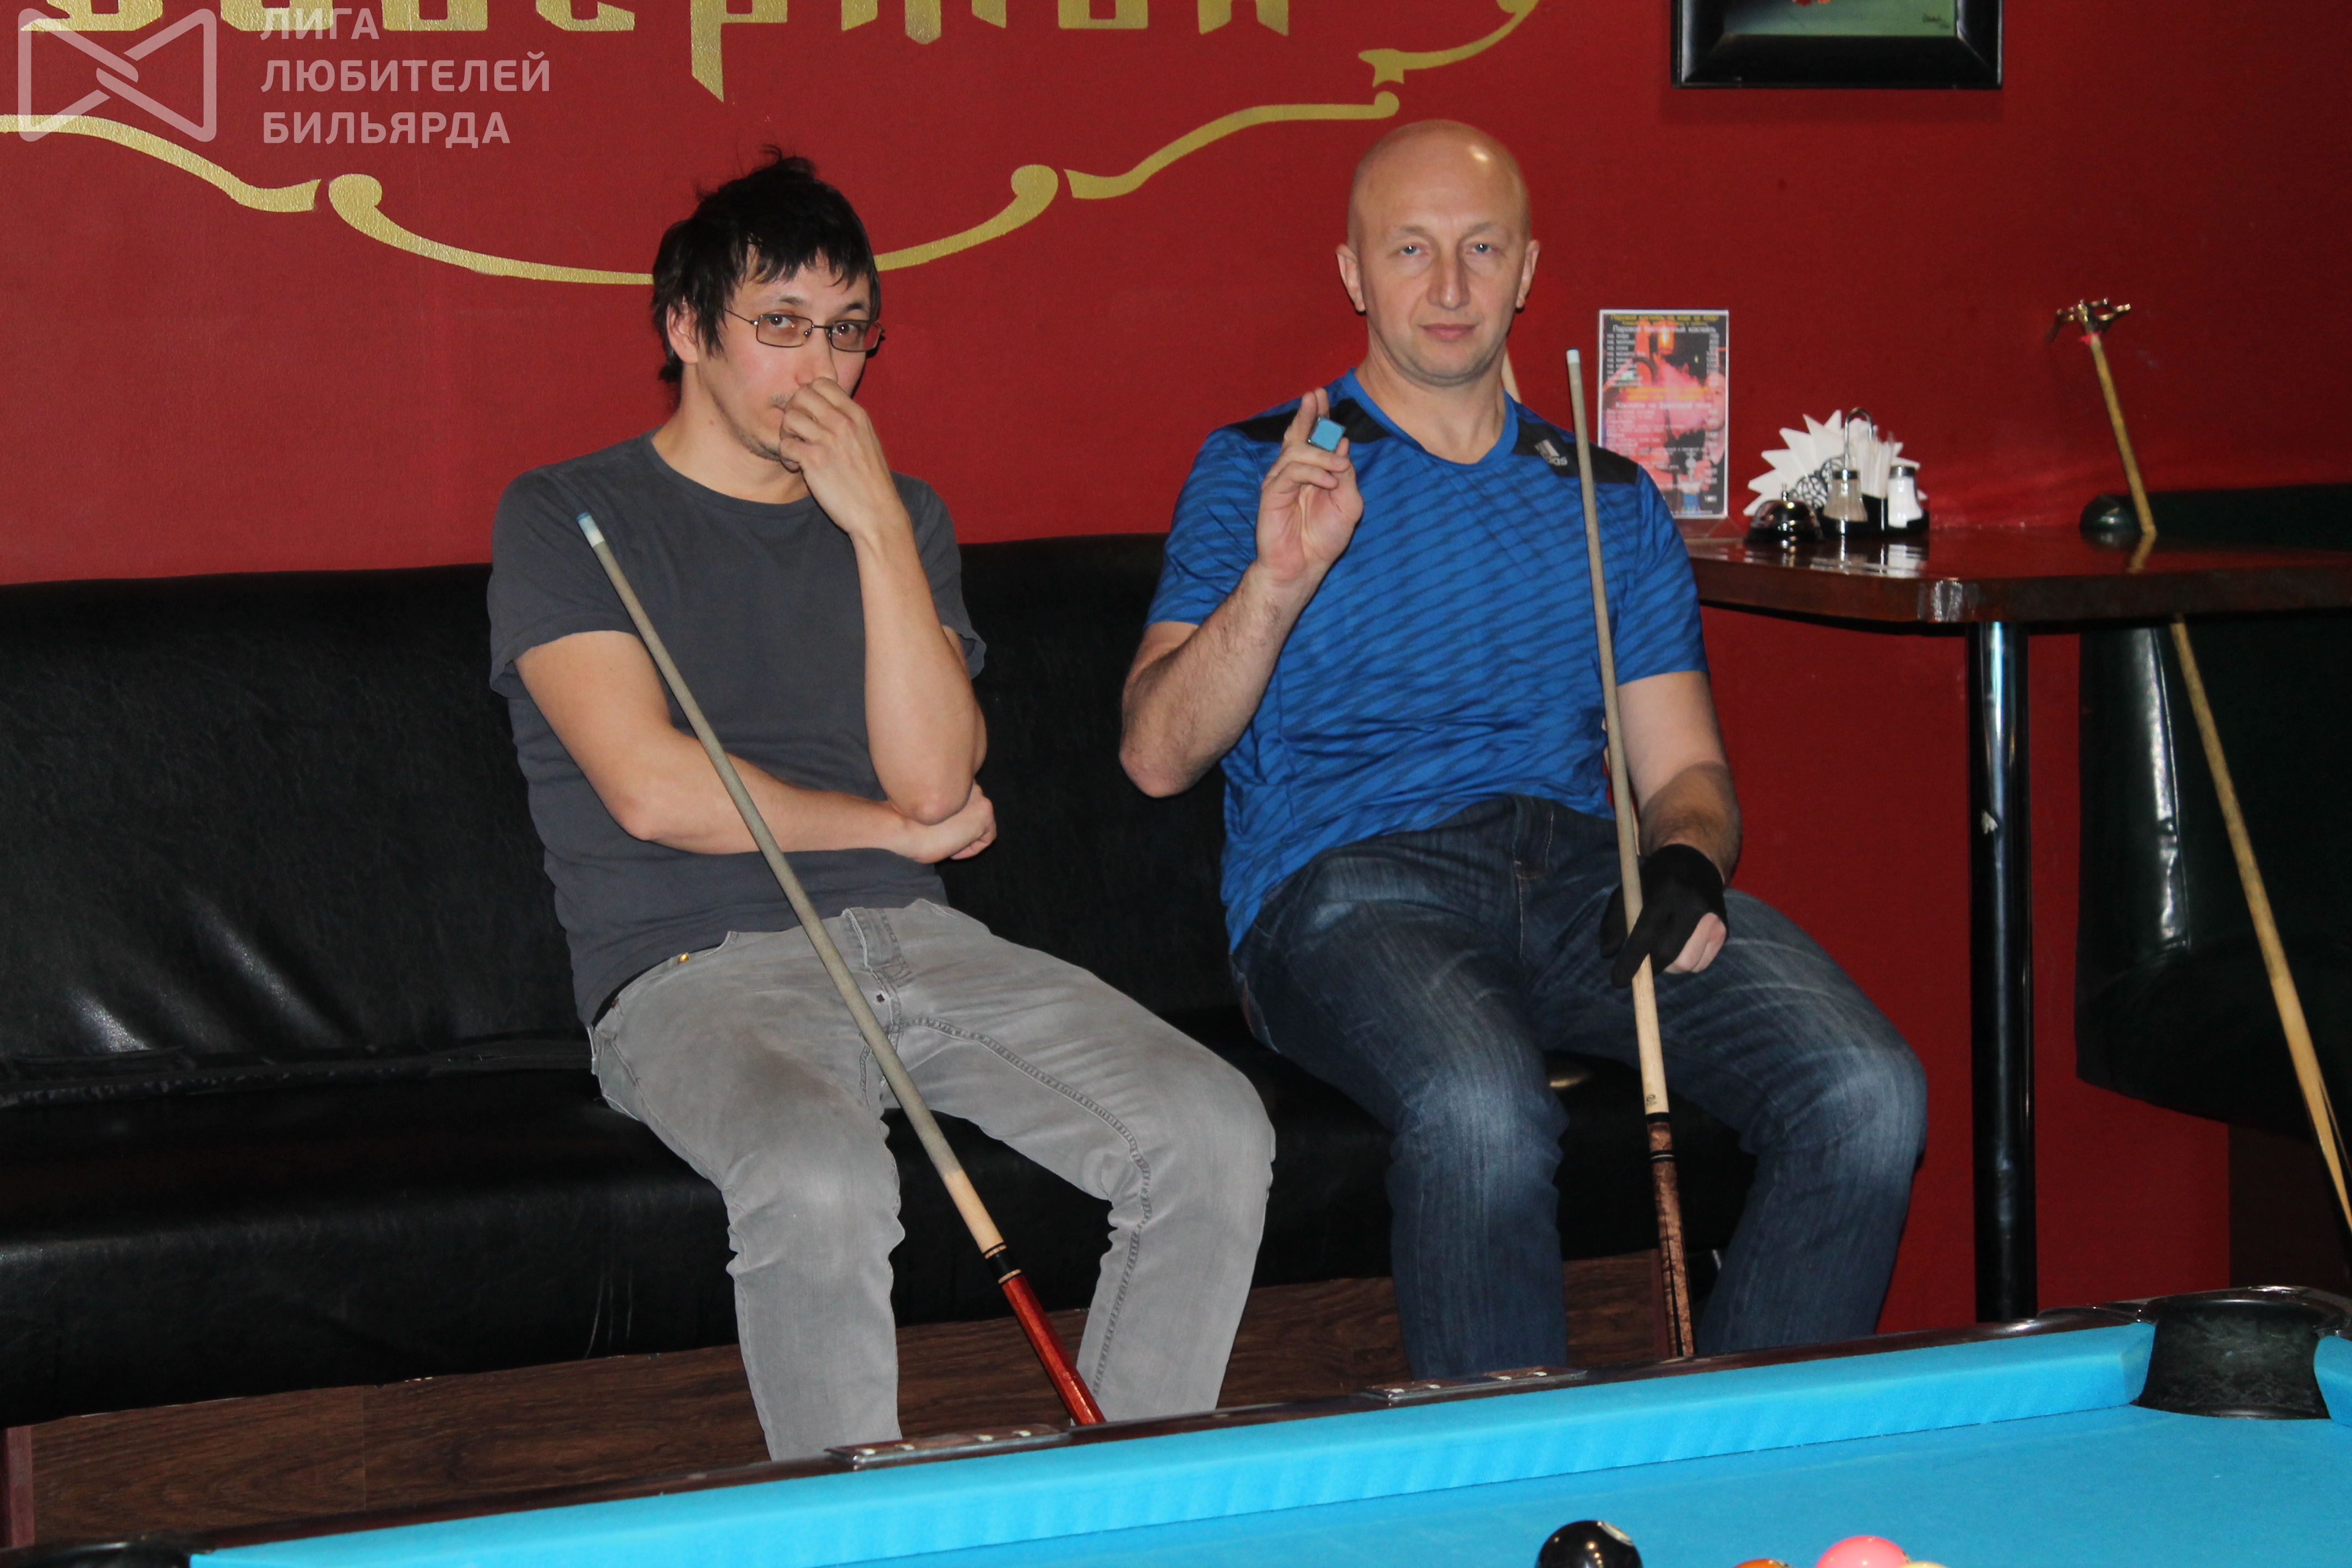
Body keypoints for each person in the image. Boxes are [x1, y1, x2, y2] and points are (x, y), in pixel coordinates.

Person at [487, 153, 1273, 1459]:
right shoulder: (567, 513)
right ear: (686, 329)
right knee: (822, 1172)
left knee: (1212, 1124)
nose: (823, 368)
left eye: (848, 331)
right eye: (781, 325)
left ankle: (1114, 1513)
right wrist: (887, 832)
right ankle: (856, 1534)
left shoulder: (903, 515)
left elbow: (936, 781)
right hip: (689, 974)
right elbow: (652, 788)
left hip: (920, 944)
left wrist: (876, 533)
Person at [1119, 121, 1924, 1377]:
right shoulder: (1262, 468)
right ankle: (1517, 1481)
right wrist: (1275, 584)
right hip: (1348, 890)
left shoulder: (1607, 497)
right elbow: (1156, 755)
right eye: (1411, 249)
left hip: (1581, 881)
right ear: (1353, 274)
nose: (1449, 286)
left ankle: (1735, 1458)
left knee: (1867, 1092)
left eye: (1481, 249)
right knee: (1484, 1112)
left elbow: (1686, 775)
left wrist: (1688, 857)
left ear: (1528, 269)